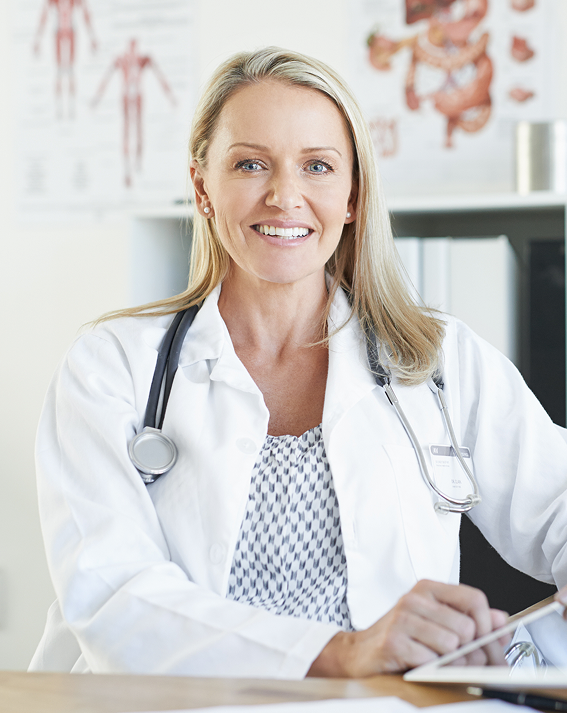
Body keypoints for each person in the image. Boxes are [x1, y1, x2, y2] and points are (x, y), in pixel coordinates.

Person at [30, 47, 567, 678]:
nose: (285, 196)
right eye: (251, 164)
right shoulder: (113, 367)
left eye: (317, 166)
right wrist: (342, 654)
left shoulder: (439, 360)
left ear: (351, 196)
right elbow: (113, 597)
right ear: (203, 187)